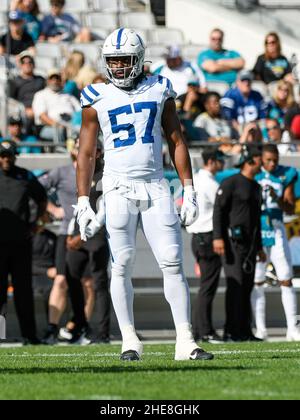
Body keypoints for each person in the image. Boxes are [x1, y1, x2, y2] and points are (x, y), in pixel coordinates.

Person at [76, 28, 214, 362]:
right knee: (121, 264)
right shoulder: (95, 97)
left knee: (172, 261)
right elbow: (86, 152)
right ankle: (129, 341)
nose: (119, 66)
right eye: (114, 60)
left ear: (139, 59)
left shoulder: (159, 88)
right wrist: (83, 201)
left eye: (125, 59)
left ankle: (185, 340)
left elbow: (176, 140)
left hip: (155, 185)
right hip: (117, 187)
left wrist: (190, 189)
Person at [40, 142, 93, 344]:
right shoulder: (61, 172)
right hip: (68, 232)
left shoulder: (98, 172)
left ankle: (80, 326)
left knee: (89, 283)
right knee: (61, 279)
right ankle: (52, 328)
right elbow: (37, 187)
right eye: (78, 146)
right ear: (72, 150)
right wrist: (53, 210)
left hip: (92, 233)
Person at [213, 145, 266, 341]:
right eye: (260, 158)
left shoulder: (256, 187)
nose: (262, 162)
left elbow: (256, 220)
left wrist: (259, 247)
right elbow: (218, 211)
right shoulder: (231, 183)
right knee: (236, 286)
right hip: (231, 243)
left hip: (250, 246)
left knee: (247, 286)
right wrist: (218, 237)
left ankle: (245, 330)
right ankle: (231, 330)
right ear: (250, 160)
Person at [60, 141, 111, 344]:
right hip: (77, 233)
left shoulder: (106, 175)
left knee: (99, 284)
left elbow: (104, 211)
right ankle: (80, 324)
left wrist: (83, 236)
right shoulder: (82, 172)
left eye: (91, 149)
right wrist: (73, 232)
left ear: (99, 153)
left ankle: (102, 332)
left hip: (95, 235)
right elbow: (78, 207)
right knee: (71, 279)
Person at [0, 140, 47, 344]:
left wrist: (38, 223)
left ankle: (30, 335)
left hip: (21, 243)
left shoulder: (25, 175)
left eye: (9, 155)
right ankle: (0, 335)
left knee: (24, 292)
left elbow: (42, 199)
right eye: (2, 155)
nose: (6, 159)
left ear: (15, 156)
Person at [252, 144, 300, 341]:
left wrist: (277, 198)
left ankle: (292, 328)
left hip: (277, 227)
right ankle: (260, 328)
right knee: (258, 279)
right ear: (261, 159)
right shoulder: (253, 173)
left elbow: (289, 209)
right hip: (258, 228)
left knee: (286, 278)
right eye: (268, 160)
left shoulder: (287, 174)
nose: (272, 164)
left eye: (275, 160)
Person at [187, 148, 226, 343]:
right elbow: (223, 210)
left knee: (205, 287)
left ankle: (198, 331)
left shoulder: (194, 179)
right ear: (211, 161)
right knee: (207, 288)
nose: (223, 163)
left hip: (197, 237)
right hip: (207, 237)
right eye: (220, 160)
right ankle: (205, 331)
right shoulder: (209, 183)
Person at [32, 68, 80, 143]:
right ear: (47, 80)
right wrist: (56, 124)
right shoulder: (40, 95)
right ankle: (63, 152)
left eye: (57, 78)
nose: (55, 81)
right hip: (49, 127)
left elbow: (80, 111)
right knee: (61, 131)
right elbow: (42, 116)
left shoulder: (68, 95)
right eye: (52, 79)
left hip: (71, 124)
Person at [9, 50, 46, 133]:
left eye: (30, 62)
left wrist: (37, 110)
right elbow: (11, 100)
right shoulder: (15, 81)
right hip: (23, 111)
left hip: (41, 110)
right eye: (24, 62)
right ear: (20, 65)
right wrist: (23, 109)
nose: (27, 64)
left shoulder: (41, 79)